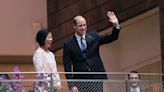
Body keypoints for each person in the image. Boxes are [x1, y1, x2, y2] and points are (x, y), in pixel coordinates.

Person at [63, 11, 120, 92]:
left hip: (96, 78)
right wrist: (71, 85)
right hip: (81, 81)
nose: (83, 28)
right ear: (74, 26)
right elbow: (67, 66)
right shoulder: (68, 44)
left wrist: (116, 25)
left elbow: (112, 37)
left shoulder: (94, 36)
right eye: (80, 26)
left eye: (84, 25)